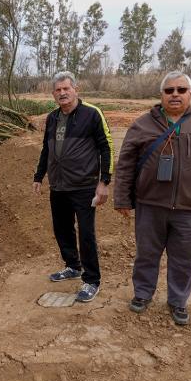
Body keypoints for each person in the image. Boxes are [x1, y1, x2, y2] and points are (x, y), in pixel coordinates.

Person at [113, 71, 191, 325]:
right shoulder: (142, 124)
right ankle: (143, 294)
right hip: (150, 205)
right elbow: (125, 164)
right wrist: (122, 198)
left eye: (181, 90)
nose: (175, 94)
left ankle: (178, 301)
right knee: (147, 254)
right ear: (162, 95)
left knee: (184, 259)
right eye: (169, 91)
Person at [33, 71, 114, 302]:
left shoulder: (92, 114)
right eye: (58, 90)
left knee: (86, 234)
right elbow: (46, 150)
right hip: (58, 185)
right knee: (62, 229)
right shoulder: (52, 118)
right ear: (53, 94)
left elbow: (106, 147)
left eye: (66, 89)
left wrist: (104, 181)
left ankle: (92, 280)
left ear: (76, 89)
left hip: (84, 186)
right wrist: (39, 176)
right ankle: (72, 266)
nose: (62, 93)